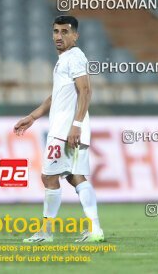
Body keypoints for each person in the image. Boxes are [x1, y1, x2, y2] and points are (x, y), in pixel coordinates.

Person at [14, 15, 104, 243]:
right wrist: (34, 116)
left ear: (76, 35)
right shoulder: (66, 59)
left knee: (49, 177)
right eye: (56, 31)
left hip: (65, 130)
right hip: (70, 128)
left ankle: (46, 232)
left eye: (65, 32)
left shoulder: (74, 57)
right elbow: (58, 95)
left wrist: (75, 125)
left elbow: (85, 91)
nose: (59, 36)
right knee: (76, 177)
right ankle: (94, 229)